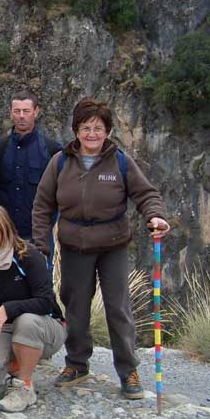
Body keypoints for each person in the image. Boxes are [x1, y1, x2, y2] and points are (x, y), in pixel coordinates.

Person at [32, 98, 170, 400]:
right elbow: (43, 205)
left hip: (113, 245)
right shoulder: (60, 162)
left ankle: (128, 370)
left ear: (107, 131)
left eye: (97, 128)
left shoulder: (120, 161)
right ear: (76, 131)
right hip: (73, 246)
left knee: (118, 307)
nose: (91, 134)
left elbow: (146, 193)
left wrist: (155, 215)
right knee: (76, 306)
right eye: (85, 128)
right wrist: (41, 244)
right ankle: (77, 364)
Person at [0, 205, 66, 412]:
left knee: (26, 320)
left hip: (45, 325)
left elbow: (46, 302)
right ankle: (21, 360)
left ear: (4, 230)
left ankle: (24, 387)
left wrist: (7, 309)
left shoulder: (28, 256)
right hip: (8, 329)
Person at [0, 90, 61, 258]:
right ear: (10, 112)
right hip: (6, 233)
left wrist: (49, 224)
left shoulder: (52, 150)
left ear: (36, 112)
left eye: (26, 111)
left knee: (40, 282)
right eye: (17, 111)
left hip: (40, 236)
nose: (21, 116)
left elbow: (58, 193)